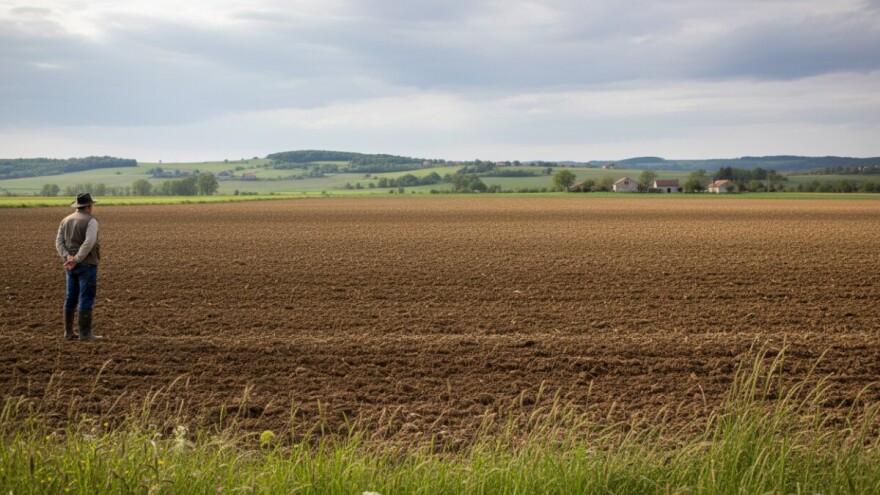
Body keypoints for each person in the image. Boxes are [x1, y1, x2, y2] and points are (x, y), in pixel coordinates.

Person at [55, 193, 103, 340]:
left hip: (70, 265)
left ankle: (68, 332)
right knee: (86, 297)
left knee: (71, 296)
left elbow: (58, 242)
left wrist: (67, 257)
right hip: (87, 264)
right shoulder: (91, 221)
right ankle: (85, 333)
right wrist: (76, 259)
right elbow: (89, 243)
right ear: (88, 206)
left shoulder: (65, 220)